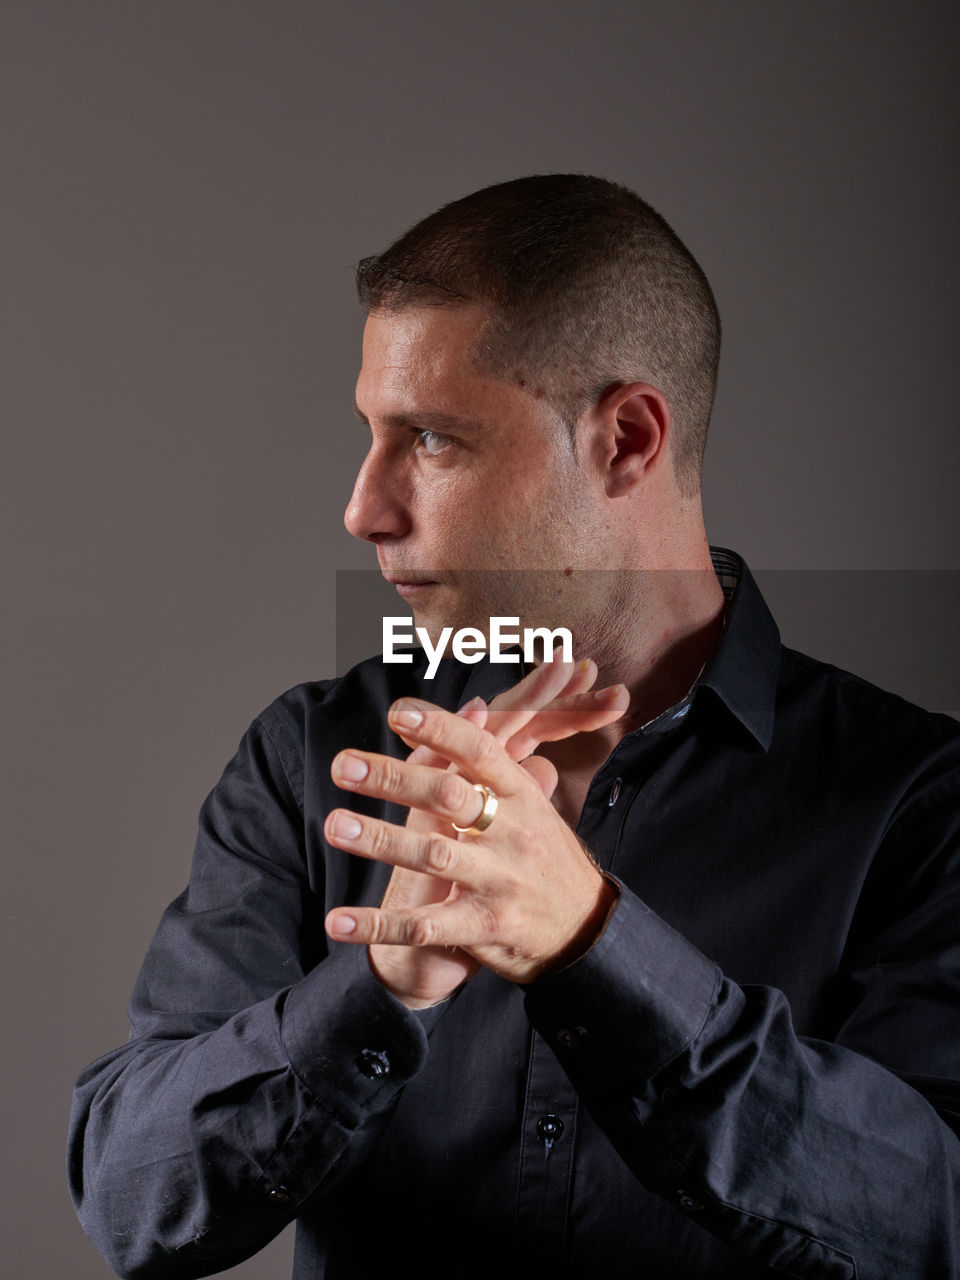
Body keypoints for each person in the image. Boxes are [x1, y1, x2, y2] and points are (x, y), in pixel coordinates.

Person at [69, 175, 960, 1279]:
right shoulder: (310, 759)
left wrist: (593, 940)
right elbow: (130, 1194)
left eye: (433, 439)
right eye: (372, 434)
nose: (364, 508)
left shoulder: (919, 801)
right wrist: (374, 990)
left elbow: (933, 1218)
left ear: (628, 440)